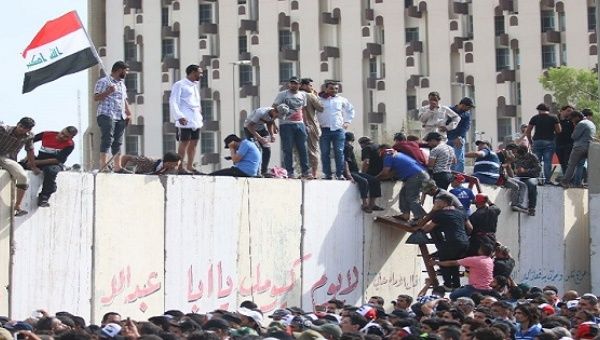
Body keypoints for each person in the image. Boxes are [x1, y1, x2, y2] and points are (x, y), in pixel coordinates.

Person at [420, 196, 470, 290]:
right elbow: (470, 228)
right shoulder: (461, 213)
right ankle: (456, 285)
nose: (435, 204)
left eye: (437, 202)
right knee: (455, 263)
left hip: (450, 242)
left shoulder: (440, 214)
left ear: (444, 203)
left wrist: (433, 211)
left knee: (444, 262)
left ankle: (447, 284)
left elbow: (427, 229)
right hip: (464, 243)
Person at [24, 126, 78, 207]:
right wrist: (29, 156)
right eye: (62, 133)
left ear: (71, 138)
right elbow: (29, 141)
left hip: (54, 164)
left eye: (65, 136)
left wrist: (35, 162)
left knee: (50, 171)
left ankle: (44, 197)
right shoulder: (47, 134)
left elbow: (57, 160)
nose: (61, 136)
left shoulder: (70, 145)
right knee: (21, 165)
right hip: (39, 159)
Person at [94, 61, 132, 173]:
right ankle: (103, 164)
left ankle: (117, 166)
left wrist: (128, 113)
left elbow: (123, 99)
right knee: (107, 138)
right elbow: (96, 98)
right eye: (126, 71)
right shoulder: (104, 81)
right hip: (106, 114)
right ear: (120, 70)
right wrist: (108, 91)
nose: (127, 73)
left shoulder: (121, 84)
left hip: (120, 115)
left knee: (118, 141)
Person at [376, 146, 429, 222]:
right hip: (420, 174)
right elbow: (392, 173)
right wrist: (381, 178)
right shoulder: (397, 154)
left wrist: (375, 178)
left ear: (381, 150)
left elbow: (385, 172)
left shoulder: (388, 155)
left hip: (415, 176)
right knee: (403, 194)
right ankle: (405, 215)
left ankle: (421, 217)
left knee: (411, 197)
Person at [273, 77, 311, 178]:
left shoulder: (303, 95)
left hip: (300, 123)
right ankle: (289, 172)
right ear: (289, 84)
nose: (294, 85)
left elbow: (304, 110)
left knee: (303, 148)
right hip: (286, 124)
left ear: (299, 85)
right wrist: (275, 120)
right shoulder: (282, 94)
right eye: (292, 83)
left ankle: (306, 171)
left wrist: (306, 124)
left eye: (296, 83)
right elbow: (274, 107)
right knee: (287, 149)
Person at [0, 117, 39, 216]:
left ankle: (17, 206)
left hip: (7, 159)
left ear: (29, 130)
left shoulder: (29, 136)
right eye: (20, 126)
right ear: (18, 124)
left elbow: (30, 150)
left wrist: (33, 166)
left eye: (24, 128)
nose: (21, 129)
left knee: (23, 177)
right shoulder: (3, 129)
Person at [169, 64, 203, 174]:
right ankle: (180, 166)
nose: (201, 75)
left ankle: (190, 166)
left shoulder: (194, 86)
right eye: (199, 73)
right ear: (193, 72)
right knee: (184, 143)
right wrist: (179, 116)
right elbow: (173, 101)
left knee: (194, 143)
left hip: (195, 120)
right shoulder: (180, 84)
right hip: (185, 119)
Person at [317, 82, 355, 180]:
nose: (334, 90)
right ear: (326, 89)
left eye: (336, 89)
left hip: (338, 130)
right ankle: (327, 174)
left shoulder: (341, 100)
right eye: (331, 88)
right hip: (324, 130)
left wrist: (347, 122)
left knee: (339, 152)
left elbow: (350, 110)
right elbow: (313, 112)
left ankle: (340, 174)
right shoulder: (319, 100)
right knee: (325, 152)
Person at [343, 132, 382, 213]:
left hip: (355, 171)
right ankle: (365, 204)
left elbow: (365, 161)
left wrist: (362, 173)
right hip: (350, 171)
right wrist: (349, 174)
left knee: (374, 180)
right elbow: (345, 161)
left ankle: (372, 204)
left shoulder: (350, 147)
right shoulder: (347, 147)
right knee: (363, 181)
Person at [243, 105, 286, 175]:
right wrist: (259, 138)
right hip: (250, 129)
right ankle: (255, 171)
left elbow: (269, 123)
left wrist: (272, 135)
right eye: (277, 116)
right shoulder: (261, 112)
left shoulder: (273, 114)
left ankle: (264, 171)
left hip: (260, 128)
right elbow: (249, 126)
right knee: (256, 150)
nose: (276, 118)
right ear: (274, 111)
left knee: (267, 149)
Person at [525, 103, 561, 184]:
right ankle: (547, 180)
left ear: (538, 110)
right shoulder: (554, 117)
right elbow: (559, 130)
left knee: (536, 162)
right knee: (547, 161)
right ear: (548, 110)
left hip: (537, 141)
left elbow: (528, 131)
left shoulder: (535, 118)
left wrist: (530, 141)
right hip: (549, 141)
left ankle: (537, 180)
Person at [561, 111, 596, 187]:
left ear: (577, 117)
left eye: (573, 119)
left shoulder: (581, 123)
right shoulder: (591, 123)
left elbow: (574, 136)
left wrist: (575, 126)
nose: (572, 121)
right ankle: (578, 183)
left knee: (571, 165)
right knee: (581, 165)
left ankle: (565, 181)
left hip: (579, 147)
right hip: (589, 147)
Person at [300, 78, 325, 178]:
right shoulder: (310, 95)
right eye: (310, 85)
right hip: (310, 125)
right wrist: (316, 96)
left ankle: (304, 172)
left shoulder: (296, 95)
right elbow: (321, 108)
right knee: (313, 150)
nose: (311, 87)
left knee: (300, 150)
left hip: (297, 125)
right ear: (303, 85)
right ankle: (314, 173)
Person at [512, 145, 542, 216]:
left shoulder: (532, 156)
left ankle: (532, 208)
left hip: (530, 177)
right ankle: (516, 204)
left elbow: (538, 168)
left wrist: (525, 170)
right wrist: (514, 171)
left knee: (532, 185)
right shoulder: (516, 157)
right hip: (518, 177)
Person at [447, 97, 475, 172]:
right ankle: (450, 176)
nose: (469, 109)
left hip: (458, 139)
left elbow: (465, 127)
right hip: (447, 138)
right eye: (468, 107)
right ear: (462, 105)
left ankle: (459, 176)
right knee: (449, 159)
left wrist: (458, 137)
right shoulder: (449, 110)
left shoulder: (466, 115)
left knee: (459, 159)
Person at [554, 105, 575, 176]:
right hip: (558, 144)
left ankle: (567, 178)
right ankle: (560, 177)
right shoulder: (556, 120)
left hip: (569, 144)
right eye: (568, 111)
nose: (570, 113)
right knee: (560, 162)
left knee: (567, 162)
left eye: (571, 112)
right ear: (562, 111)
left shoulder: (572, 121)